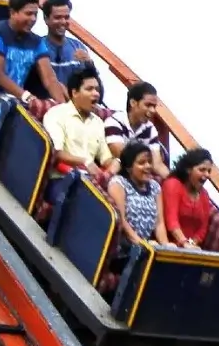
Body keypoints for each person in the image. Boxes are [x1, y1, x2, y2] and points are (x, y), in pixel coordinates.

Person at [0, 0, 65, 117]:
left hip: (19, 101)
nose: (33, 19)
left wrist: (63, 108)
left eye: (35, 14)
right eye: (28, 14)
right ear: (13, 13)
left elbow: (50, 78)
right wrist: (26, 97)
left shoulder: (36, 42)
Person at [43, 67, 117, 202]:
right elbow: (57, 153)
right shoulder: (57, 114)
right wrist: (85, 162)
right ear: (75, 92)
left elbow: (105, 159)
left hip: (90, 182)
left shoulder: (98, 123)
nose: (96, 94)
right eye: (89, 89)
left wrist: (117, 163)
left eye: (97, 90)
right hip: (61, 179)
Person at [107, 142, 169, 250]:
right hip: (123, 245)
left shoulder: (155, 187)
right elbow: (122, 221)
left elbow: (159, 223)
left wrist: (166, 247)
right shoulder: (118, 183)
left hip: (146, 246)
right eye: (142, 163)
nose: (148, 166)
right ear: (129, 168)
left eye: (149, 162)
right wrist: (141, 244)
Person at [105, 80, 170, 179]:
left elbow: (157, 164)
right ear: (133, 103)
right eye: (148, 105)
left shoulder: (150, 129)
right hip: (119, 175)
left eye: (154, 106)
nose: (152, 110)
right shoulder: (114, 122)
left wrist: (175, 182)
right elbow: (124, 157)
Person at [163, 148, 219, 251]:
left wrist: (191, 244)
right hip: (169, 247)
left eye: (209, 171)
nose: (207, 175)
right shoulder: (173, 184)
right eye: (202, 170)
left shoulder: (204, 195)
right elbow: (171, 220)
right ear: (188, 169)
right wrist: (184, 242)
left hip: (191, 249)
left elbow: (203, 229)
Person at [40, 0, 91, 85]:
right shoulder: (36, 47)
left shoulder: (78, 47)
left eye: (66, 17)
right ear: (46, 19)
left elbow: (90, 82)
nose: (63, 22)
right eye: (57, 17)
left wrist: (89, 64)